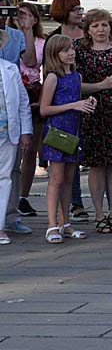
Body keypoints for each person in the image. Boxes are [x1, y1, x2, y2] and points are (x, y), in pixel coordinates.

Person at [75, 9, 112, 233]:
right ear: (88, 30)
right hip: (93, 113)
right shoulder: (79, 51)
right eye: (95, 26)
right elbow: (75, 85)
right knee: (97, 165)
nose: (101, 30)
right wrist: (103, 85)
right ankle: (99, 213)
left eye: (104, 25)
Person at [39, 36, 95, 244]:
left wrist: (87, 102)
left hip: (74, 131)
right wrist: (73, 106)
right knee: (56, 179)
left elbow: (75, 100)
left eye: (71, 48)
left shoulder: (77, 76)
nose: (71, 53)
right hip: (57, 132)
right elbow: (44, 109)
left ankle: (66, 222)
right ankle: (52, 224)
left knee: (69, 180)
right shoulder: (53, 77)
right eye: (65, 50)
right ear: (55, 55)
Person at [13, 4, 45, 225]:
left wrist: (27, 32)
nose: (22, 18)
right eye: (18, 14)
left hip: (32, 94)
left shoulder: (41, 42)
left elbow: (31, 61)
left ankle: (22, 196)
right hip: (11, 93)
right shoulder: (8, 38)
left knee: (30, 149)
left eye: (27, 15)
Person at [0, 55, 32, 245]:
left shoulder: (10, 68)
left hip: (7, 132)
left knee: (4, 178)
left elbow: (22, 103)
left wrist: (26, 131)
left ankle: (1, 225)